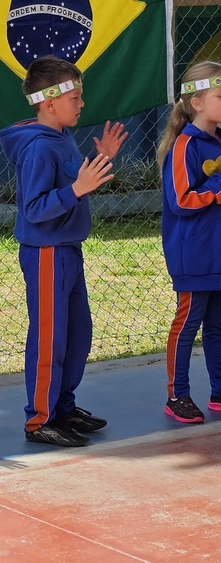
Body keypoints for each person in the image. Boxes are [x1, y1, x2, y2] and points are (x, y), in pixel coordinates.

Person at [0, 55, 127, 447]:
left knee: (76, 334)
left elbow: (75, 182)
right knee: (50, 339)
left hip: (68, 249)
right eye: (75, 97)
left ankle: (62, 408)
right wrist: (78, 189)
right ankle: (39, 420)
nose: (82, 103)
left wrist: (101, 160)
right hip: (47, 253)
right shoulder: (38, 147)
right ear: (50, 102)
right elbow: (35, 209)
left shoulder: (61, 136)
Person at [157, 60, 221, 423]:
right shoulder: (185, 146)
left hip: (217, 253)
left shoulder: (218, 140)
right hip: (194, 255)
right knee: (187, 324)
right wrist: (217, 186)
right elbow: (181, 200)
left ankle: (219, 392)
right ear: (196, 102)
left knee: (218, 325)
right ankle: (177, 395)